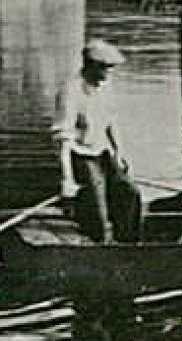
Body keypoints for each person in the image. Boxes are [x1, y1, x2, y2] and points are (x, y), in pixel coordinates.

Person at [52, 39, 144, 243]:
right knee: (97, 211)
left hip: (102, 152)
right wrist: (67, 179)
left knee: (130, 193)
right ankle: (99, 246)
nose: (109, 72)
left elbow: (111, 121)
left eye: (111, 68)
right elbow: (62, 139)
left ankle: (129, 245)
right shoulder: (70, 92)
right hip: (80, 155)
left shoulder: (106, 86)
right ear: (90, 65)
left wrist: (120, 153)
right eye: (104, 67)